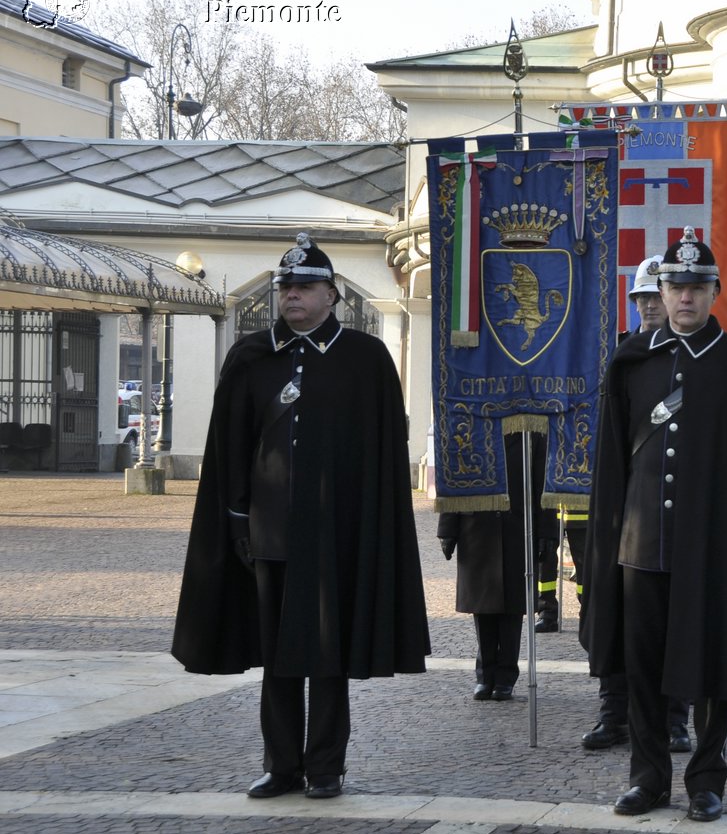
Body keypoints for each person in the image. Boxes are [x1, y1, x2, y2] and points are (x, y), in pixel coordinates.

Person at [171, 233, 429, 799]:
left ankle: (326, 767)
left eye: (305, 287)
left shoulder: (365, 359)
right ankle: (281, 764)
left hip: (338, 533)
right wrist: (238, 521)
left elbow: (383, 454)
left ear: (332, 294)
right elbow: (231, 448)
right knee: (278, 658)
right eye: (285, 286)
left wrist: (370, 530)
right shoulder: (252, 357)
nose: (292, 296)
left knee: (327, 657)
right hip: (271, 535)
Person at [581, 227, 727, 823]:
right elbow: (612, 461)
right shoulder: (632, 361)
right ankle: (647, 776)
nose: (685, 297)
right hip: (643, 544)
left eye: (697, 286)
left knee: (713, 665)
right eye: (675, 286)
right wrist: (607, 537)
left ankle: (706, 778)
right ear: (660, 290)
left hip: (714, 545)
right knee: (642, 667)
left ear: (716, 291)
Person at [578, 258, 691, 752]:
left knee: (674, 623)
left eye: (653, 296)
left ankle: (673, 718)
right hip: (626, 508)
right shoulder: (624, 354)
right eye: (641, 298)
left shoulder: (693, 357)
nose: (648, 305)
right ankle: (614, 711)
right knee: (615, 612)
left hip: (676, 513)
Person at [437, 431, 557, 701]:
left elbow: (543, 483)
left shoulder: (532, 431)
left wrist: (547, 531)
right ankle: (485, 674)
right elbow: (456, 477)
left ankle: (506, 675)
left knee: (512, 610)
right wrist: (448, 527)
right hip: (477, 528)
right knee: (482, 607)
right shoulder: (471, 425)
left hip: (518, 529)